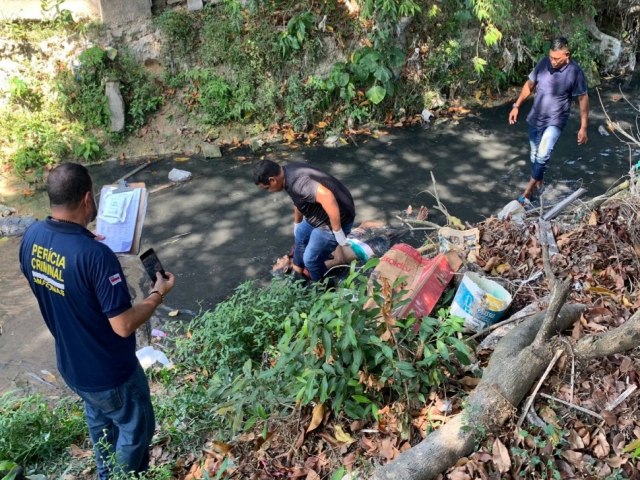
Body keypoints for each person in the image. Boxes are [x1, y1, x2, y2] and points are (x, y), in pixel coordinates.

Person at [19, 163, 175, 479]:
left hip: (73, 366)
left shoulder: (32, 236)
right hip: (111, 371)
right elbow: (123, 325)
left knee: (101, 423)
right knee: (135, 431)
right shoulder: (96, 256)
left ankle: (105, 473)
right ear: (89, 199)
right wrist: (158, 294)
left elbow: (52, 282)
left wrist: (84, 243)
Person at [508, 36, 589, 203]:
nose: (552, 61)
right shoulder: (544, 63)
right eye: (551, 57)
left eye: (557, 58)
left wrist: (583, 127)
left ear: (567, 54)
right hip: (535, 117)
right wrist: (516, 106)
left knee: (543, 155)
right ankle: (539, 179)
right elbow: (529, 85)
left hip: (556, 120)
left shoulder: (575, 72)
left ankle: (527, 191)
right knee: (535, 156)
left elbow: (583, 99)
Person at [254, 159, 355, 281]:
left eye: (267, 188)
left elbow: (328, 197)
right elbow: (298, 201)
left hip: (335, 218)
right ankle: (297, 277)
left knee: (310, 259)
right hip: (318, 214)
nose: (268, 192)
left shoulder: (299, 183)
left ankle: (326, 290)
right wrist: (297, 223)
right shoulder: (288, 172)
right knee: (300, 235)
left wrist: (338, 230)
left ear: (272, 180)